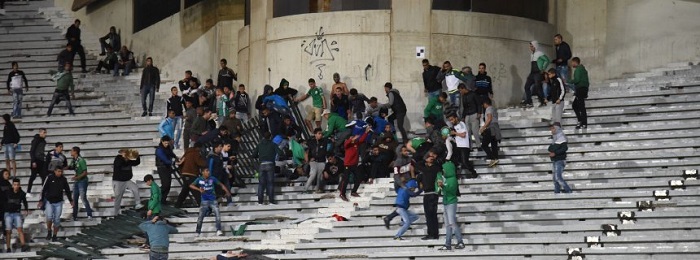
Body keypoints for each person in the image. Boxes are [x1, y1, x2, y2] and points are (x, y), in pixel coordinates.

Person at [190, 168, 231, 236]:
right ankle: (198, 231)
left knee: (217, 215)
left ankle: (218, 230)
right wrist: (199, 189)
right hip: (204, 201)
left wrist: (227, 192)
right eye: (207, 171)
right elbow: (191, 185)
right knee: (200, 217)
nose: (208, 172)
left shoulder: (212, 178)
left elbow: (221, 185)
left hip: (213, 200)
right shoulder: (199, 179)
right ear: (202, 172)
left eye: (208, 171)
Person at [436, 161, 465, 250]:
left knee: (452, 222)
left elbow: (451, 191)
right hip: (446, 202)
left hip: (451, 202)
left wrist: (443, 186)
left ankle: (460, 242)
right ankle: (447, 244)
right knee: (448, 224)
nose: (443, 171)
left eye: (444, 169)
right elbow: (438, 175)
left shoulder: (453, 179)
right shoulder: (445, 178)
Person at [38, 168, 73, 242]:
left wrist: (71, 200)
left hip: (59, 202)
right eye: (58, 171)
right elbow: (43, 189)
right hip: (49, 201)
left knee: (57, 220)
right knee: (49, 217)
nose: (60, 173)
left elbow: (67, 190)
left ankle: (54, 235)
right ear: (55, 171)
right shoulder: (50, 177)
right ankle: (49, 230)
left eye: (61, 171)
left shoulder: (63, 179)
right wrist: (41, 200)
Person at [338, 127, 370, 201]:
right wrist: (351, 139)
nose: (354, 138)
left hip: (354, 165)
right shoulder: (347, 145)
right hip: (347, 164)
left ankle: (354, 191)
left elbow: (362, 140)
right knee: (346, 179)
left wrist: (366, 132)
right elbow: (346, 143)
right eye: (352, 137)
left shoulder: (356, 144)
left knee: (359, 177)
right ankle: (342, 194)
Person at [415, 152, 441, 240]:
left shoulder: (432, 169)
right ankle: (434, 234)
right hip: (431, 194)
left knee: (430, 215)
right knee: (432, 214)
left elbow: (417, 164)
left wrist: (426, 159)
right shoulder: (431, 168)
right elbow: (417, 165)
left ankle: (432, 234)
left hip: (430, 194)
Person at [252, 132, 281, 205]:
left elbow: (254, 155)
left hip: (262, 164)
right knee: (270, 183)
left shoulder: (259, 145)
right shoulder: (273, 144)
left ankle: (260, 202)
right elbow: (280, 152)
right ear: (270, 137)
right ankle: (271, 201)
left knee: (261, 184)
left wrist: (260, 156)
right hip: (270, 164)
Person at [175, 143, 207, 208]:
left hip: (184, 174)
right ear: (198, 148)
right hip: (191, 174)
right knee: (196, 191)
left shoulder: (187, 152)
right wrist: (206, 161)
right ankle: (203, 206)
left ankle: (177, 205)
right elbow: (201, 163)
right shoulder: (196, 153)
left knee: (185, 191)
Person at [113, 149, 143, 215]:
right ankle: (116, 213)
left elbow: (136, 163)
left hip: (127, 180)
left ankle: (138, 204)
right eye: (124, 153)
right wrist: (124, 158)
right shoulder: (118, 159)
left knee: (135, 188)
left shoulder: (128, 160)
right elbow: (119, 164)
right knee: (118, 197)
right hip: (118, 182)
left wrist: (137, 156)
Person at [447, 113, 477, 178]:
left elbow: (463, 135)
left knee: (465, 162)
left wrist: (455, 133)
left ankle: (473, 172)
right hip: (457, 146)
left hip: (464, 146)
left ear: (456, 118)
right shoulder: (454, 127)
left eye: (452, 119)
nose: (451, 121)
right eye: (450, 120)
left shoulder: (461, 124)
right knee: (455, 161)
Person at [521, 41, 550, 107]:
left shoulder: (539, 53)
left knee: (538, 87)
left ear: (535, 46)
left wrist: (543, 69)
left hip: (538, 73)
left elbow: (547, 60)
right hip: (532, 73)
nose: (530, 48)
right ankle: (529, 101)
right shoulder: (531, 54)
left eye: (532, 46)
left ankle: (543, 102)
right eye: (530, 46)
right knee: (527, 86)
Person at [5, 178, 29, 252]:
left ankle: (23, 245)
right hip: (8, 213)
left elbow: (25, 202)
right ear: (12, 185)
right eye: (15, 185)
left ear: (19, 185)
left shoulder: (22, 193)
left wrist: (26, 209)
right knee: (8, 231)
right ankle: (8, 248)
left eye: (17, 185)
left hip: (17, 213)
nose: (16, 186)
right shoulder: (7, 192)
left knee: (20, 229)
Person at [68, 146, 92, 220]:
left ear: (75, 152)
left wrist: (77, 177)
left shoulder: (81, 160)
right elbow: (70, 167)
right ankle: (74, 216)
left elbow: (85, 172)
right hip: (77, 181)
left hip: (82, 181)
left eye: (72, 151)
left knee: (83, 198)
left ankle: (89, 214)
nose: (70, 152)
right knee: (75, 199)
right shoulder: (73, 160)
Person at [305, 128, 330, 193]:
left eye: (321, 134)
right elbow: (307, 151)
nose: (321, 135)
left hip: (322, 161)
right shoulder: (311, 142)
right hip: (313, 161)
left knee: (319, 176)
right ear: (315, 134)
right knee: (313, 174)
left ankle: (317, 190)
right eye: (319, 133)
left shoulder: (324, 141)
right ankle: (305, 189)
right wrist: (307, 158)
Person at [549, 124, 572, 194]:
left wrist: (555, 153)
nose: (551, 131)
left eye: (553, 129)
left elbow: (564, 148)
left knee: (558, 177)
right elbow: (550, 148)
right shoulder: (554, 138)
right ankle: (557, 192)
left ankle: (568, 190)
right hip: (554, 160)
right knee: (555, 179)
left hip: (560, 160)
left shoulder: (562, 137)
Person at [479, 99, 501, 167]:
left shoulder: (489, 108)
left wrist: (483, 127)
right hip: (496, 128)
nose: (483, 106)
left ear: (485, 103)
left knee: (484, 145)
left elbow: (489, 118)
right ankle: (495, 159)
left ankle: (492, 158)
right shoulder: (494, 109)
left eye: (483, 105)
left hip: (491, 128)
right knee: (494, 144)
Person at [155, 136, 178, 205]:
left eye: (167, 143)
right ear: (162, 142)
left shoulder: (168, 148)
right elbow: (164, 159)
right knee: (165, 185)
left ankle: (163, 200)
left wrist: (176, 158)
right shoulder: (159, 150)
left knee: (168, 185)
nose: (166, 145)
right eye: (165, 143)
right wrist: (173, 162)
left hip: (167, 168)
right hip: (162, 168)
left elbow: (172, 155)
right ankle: (157, 198)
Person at [459, 83, 482, 148]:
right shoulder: (463, 96)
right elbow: (464, 107)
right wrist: (463, 117)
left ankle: (478, 145)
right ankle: (470, 146)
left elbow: (478, 104)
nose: (460, 92)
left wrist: (479, 112)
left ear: (463, 89)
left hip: (474, 113)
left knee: (475, 131)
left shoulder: (473, 94)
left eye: (460, 90)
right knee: (468, 132)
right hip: (467, 115)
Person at [569, 57, 589, 129]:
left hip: (580, 89)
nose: (571, 64)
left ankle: (583, 122)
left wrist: (569, 81)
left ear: (575, 62)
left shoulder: (578, 70)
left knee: (580, 106)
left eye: (572, 62)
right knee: (576, 105)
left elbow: (577, 80)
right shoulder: (583, 69)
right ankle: (581, 121)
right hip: (584, 89)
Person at [28, 128, 48, 194]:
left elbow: (41, 151)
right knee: (33, 176)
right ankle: (28, 191)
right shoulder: (36, 140)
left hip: (41, 161)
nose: (45, 134)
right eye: (44, 132)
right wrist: (33, 161)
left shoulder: (43, 141)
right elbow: (32, 151)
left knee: (44, 176)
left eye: (46, 132)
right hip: (36, 160)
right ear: (40, 132)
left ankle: (44, 191)